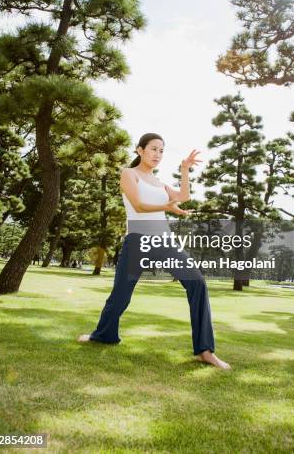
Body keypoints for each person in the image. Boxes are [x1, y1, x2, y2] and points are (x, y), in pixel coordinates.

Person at [78, 132, 231, 370]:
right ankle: (103, 335)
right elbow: (138, 205)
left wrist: (184, 169)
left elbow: (183, 196)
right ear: (140, 150)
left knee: (198, 283)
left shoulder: (159, 183)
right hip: (137, 241)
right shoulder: (129, 174)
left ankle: (204, 350)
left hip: (164, 242)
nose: (158, 154)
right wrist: (166, 207)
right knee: (120, 296)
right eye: (153, 149)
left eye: (161, 150)